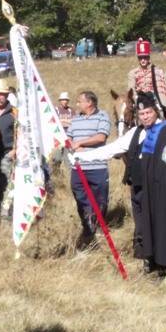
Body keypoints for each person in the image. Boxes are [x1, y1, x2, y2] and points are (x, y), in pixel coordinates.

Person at [76, 92, 166, 273]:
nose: (145, 117)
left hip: (161, 193)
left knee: (162, 226)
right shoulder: (136, 132)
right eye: (141, 114)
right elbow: (113, 149)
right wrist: (82, 157)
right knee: (144, 227)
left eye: (148, 113)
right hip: (140, 191)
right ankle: (149, 262)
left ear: (155, 113)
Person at [67, 91, 111, 247]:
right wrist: (71, 144)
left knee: (100, 199)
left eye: (80, 101)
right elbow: (69, 137)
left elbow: (101, 137)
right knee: (79, 193)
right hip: (78, 166)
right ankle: (88, 224)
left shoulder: (102, 116)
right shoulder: (76, 119)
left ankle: (97, 222)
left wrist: (81, 143)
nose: (77, 104)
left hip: (97, 166)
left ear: (90, 103)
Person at [0, 79, 17, 212]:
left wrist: (15, 150)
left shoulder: (14, 112)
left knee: (7, 183)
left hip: (8, 153)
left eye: (2, 94)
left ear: (7, 95)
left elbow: (21, 134)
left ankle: (6, 212)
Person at [126, 38, 166, 110]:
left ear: (148, 58)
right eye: (140, 58)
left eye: (145, 57)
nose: (143, 60)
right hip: (141, 102)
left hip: (158, 102)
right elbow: (131, 91)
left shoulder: (160, 72)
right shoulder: (132, 73)